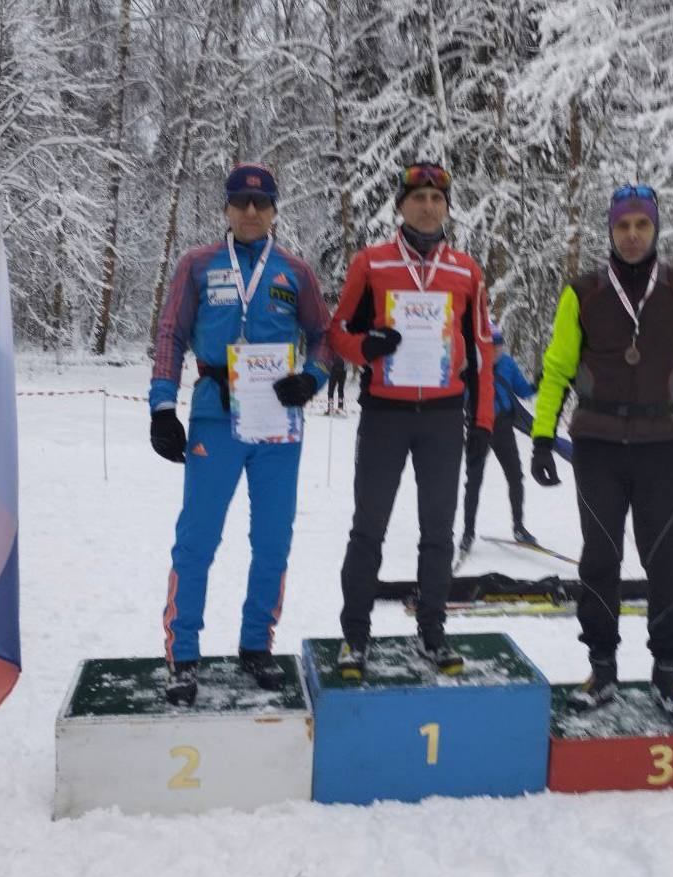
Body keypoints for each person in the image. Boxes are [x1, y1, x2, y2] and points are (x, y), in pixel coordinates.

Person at [530, 183, 673, 717]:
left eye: (642, 225)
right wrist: (543, 437)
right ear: (610, 231)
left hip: (661, 443)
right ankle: (602, 668)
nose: (632, 235)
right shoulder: (584, 292)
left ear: (655, 229)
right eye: (623, 226)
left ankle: (668, 672)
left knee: (668, 562)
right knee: (600, 559)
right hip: (597, 446)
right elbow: (557, 370)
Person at [149, 162, 331, 706]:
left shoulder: (295, 271)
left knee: (273, 541)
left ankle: (256, 645)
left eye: (261, 203)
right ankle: (183, 654)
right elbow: (170, 334)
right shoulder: (198, 264)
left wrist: (313, 378)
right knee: (198, 539)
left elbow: (324, 335)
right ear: (226, 208)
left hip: (278, 424)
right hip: (215, 418)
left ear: (274, 210)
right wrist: (163, 407)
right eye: (241, 202)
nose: (251, 211)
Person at [330, 162, 494, 679]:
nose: (427, 206)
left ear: (447, 208)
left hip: (442, 417)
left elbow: (482, 349)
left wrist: (483, 419)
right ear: (400, 205)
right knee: (368, 529)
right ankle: (355, 636)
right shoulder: (371, 263)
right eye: (418, 197)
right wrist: (366, 347)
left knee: (438, 533)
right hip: (385, 415)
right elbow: (337, 331)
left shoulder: (466, 271)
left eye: (437, 199)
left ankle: (432, 633)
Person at [459, 325, 537, 554]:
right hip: (477, 428)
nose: (496, 351)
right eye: (492, 346)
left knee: (515, 476)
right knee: (473, 481)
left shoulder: (508, 364)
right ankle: (468, 532)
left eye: (499, 346)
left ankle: (519, 527)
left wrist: (540, 381)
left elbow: (524, 391)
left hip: (503, 428)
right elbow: (458, 394)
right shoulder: (470, 364)